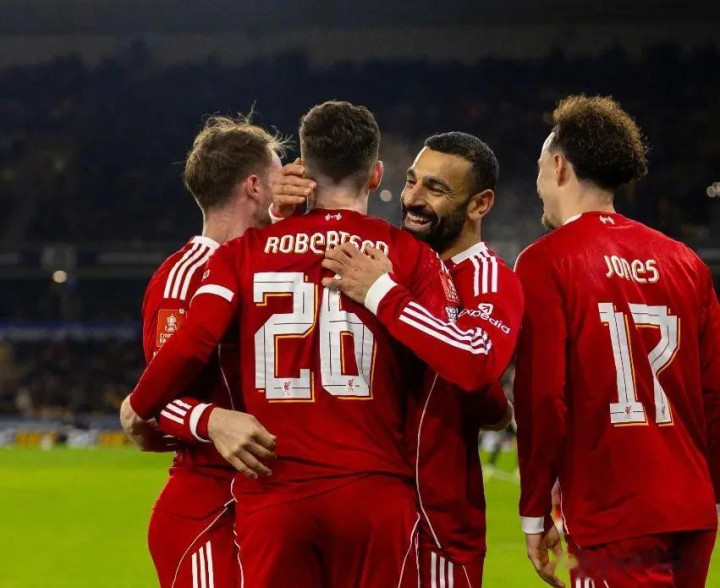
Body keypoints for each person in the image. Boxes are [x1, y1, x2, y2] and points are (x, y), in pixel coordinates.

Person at [124, 101, 507, 587]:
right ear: (376, 175)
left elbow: (194, 341)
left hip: (275, 494)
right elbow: (460, 366)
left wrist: (139, 405)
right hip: (373, 493)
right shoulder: (410, 257)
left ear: (304, 169)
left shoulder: (241, 254)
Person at [275, 131, 524, 587]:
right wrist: (280, 219)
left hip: (436, 528)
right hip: (354, 515)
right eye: (411, 181)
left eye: (436, 188)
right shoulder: (378, 258)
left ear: (480, 204)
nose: (412, 199)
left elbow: (475, 363)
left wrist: (384, 294)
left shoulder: (486, 278)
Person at [513, 95, 719, 588]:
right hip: (692, 511)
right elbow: (714, 391)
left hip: (613, 514)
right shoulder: (685, 262)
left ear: (559, 166)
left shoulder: (545, 262)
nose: (538, 185)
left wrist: (535, 511)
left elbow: (543, 398)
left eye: (540, 169)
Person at [119, 115, 284, 588]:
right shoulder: (186, 275)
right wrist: (211, 420)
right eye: (279, 176)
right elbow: (155, 397)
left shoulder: (281, 265)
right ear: (254, 186)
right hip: (212, 505)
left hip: (279, 505)